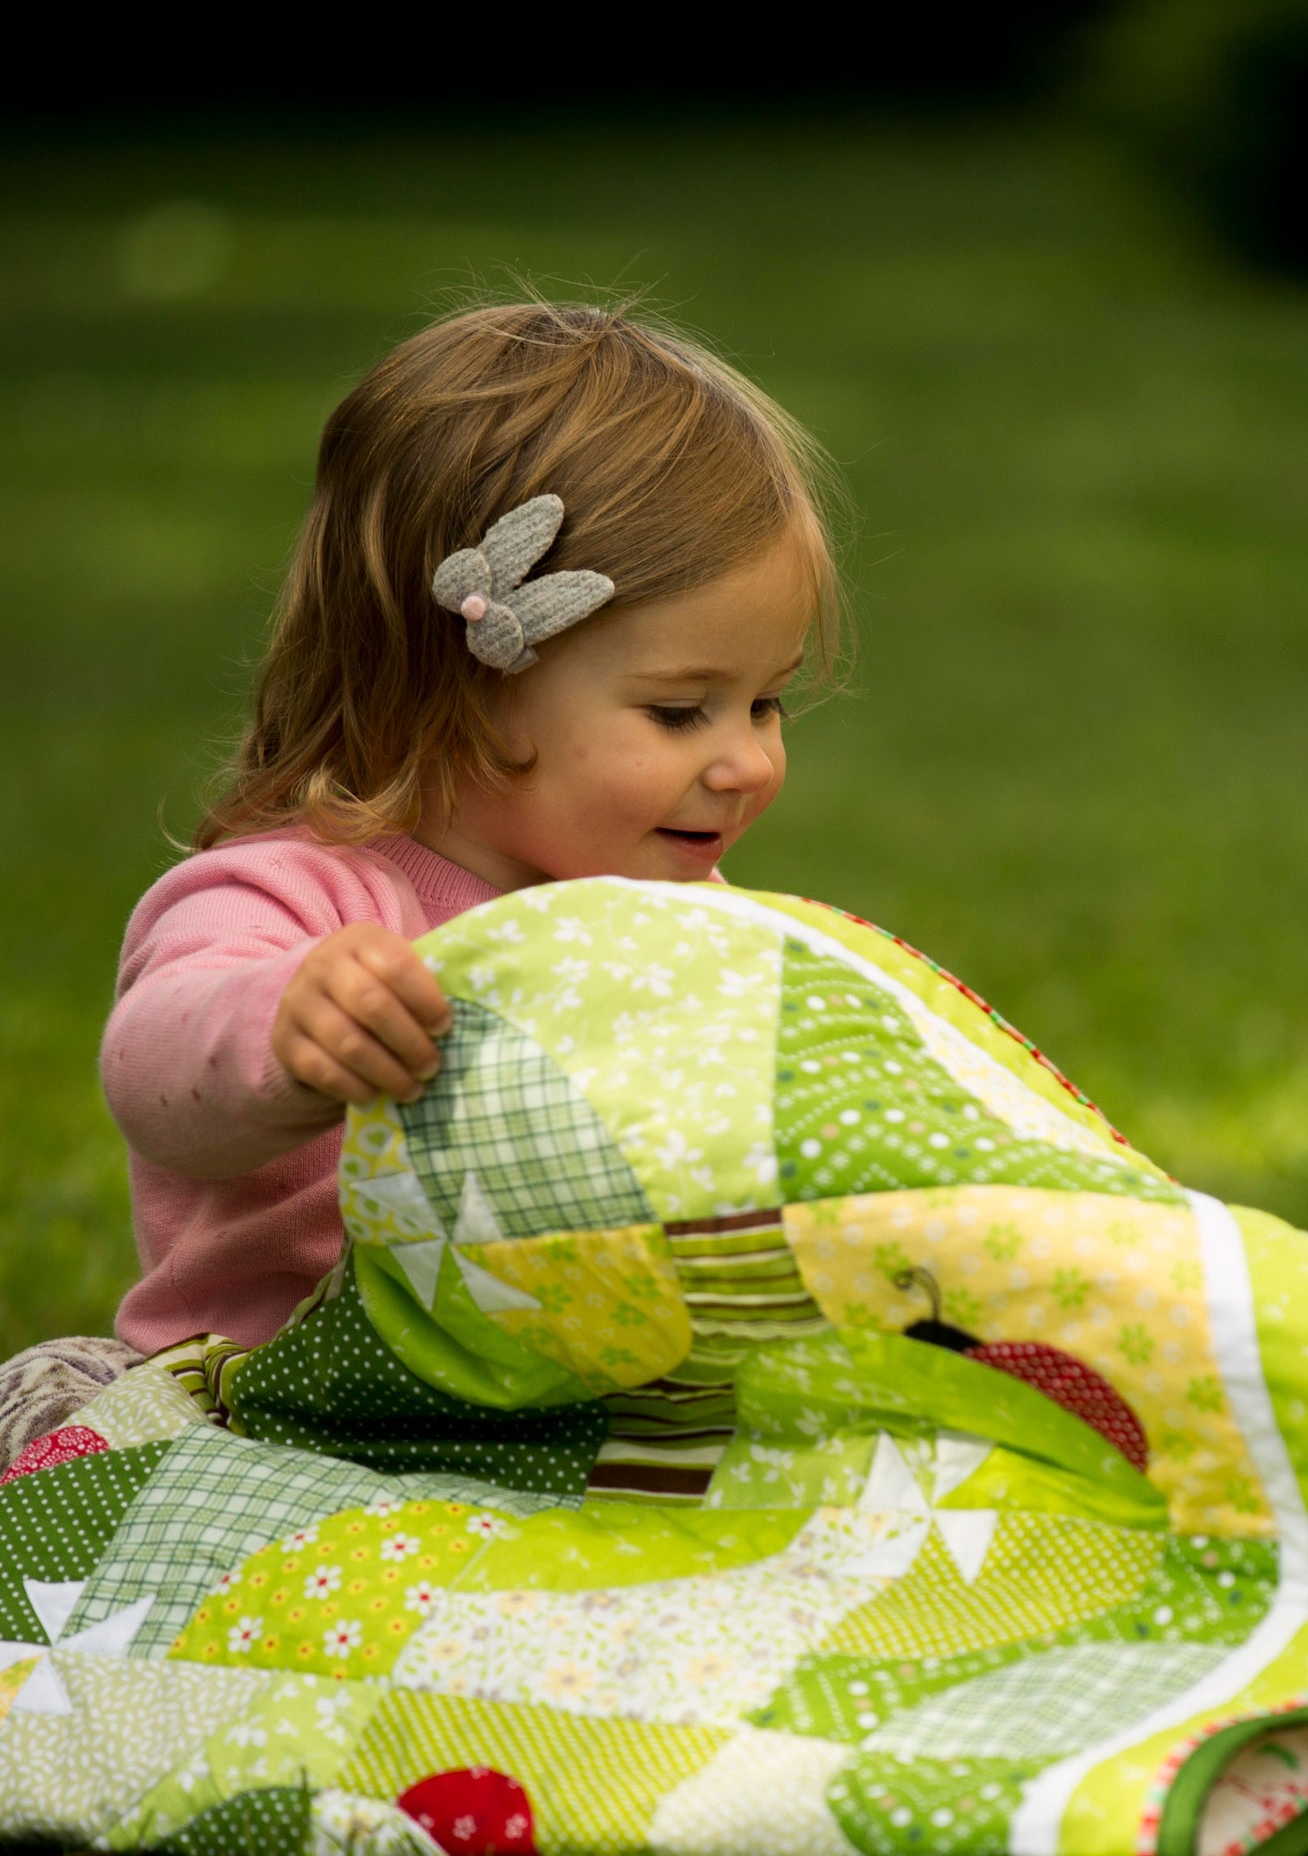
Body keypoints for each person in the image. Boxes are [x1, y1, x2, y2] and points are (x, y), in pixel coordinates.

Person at [0, 300, 843, 1466]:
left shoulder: (678, 927)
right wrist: (289, 1029)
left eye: (766, 702)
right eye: (678, 709)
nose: (747, 758)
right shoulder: (298, 900)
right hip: (272, 1420)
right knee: (66, 1428)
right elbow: (152, 1069)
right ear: (462, 683)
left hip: (547, 1417)